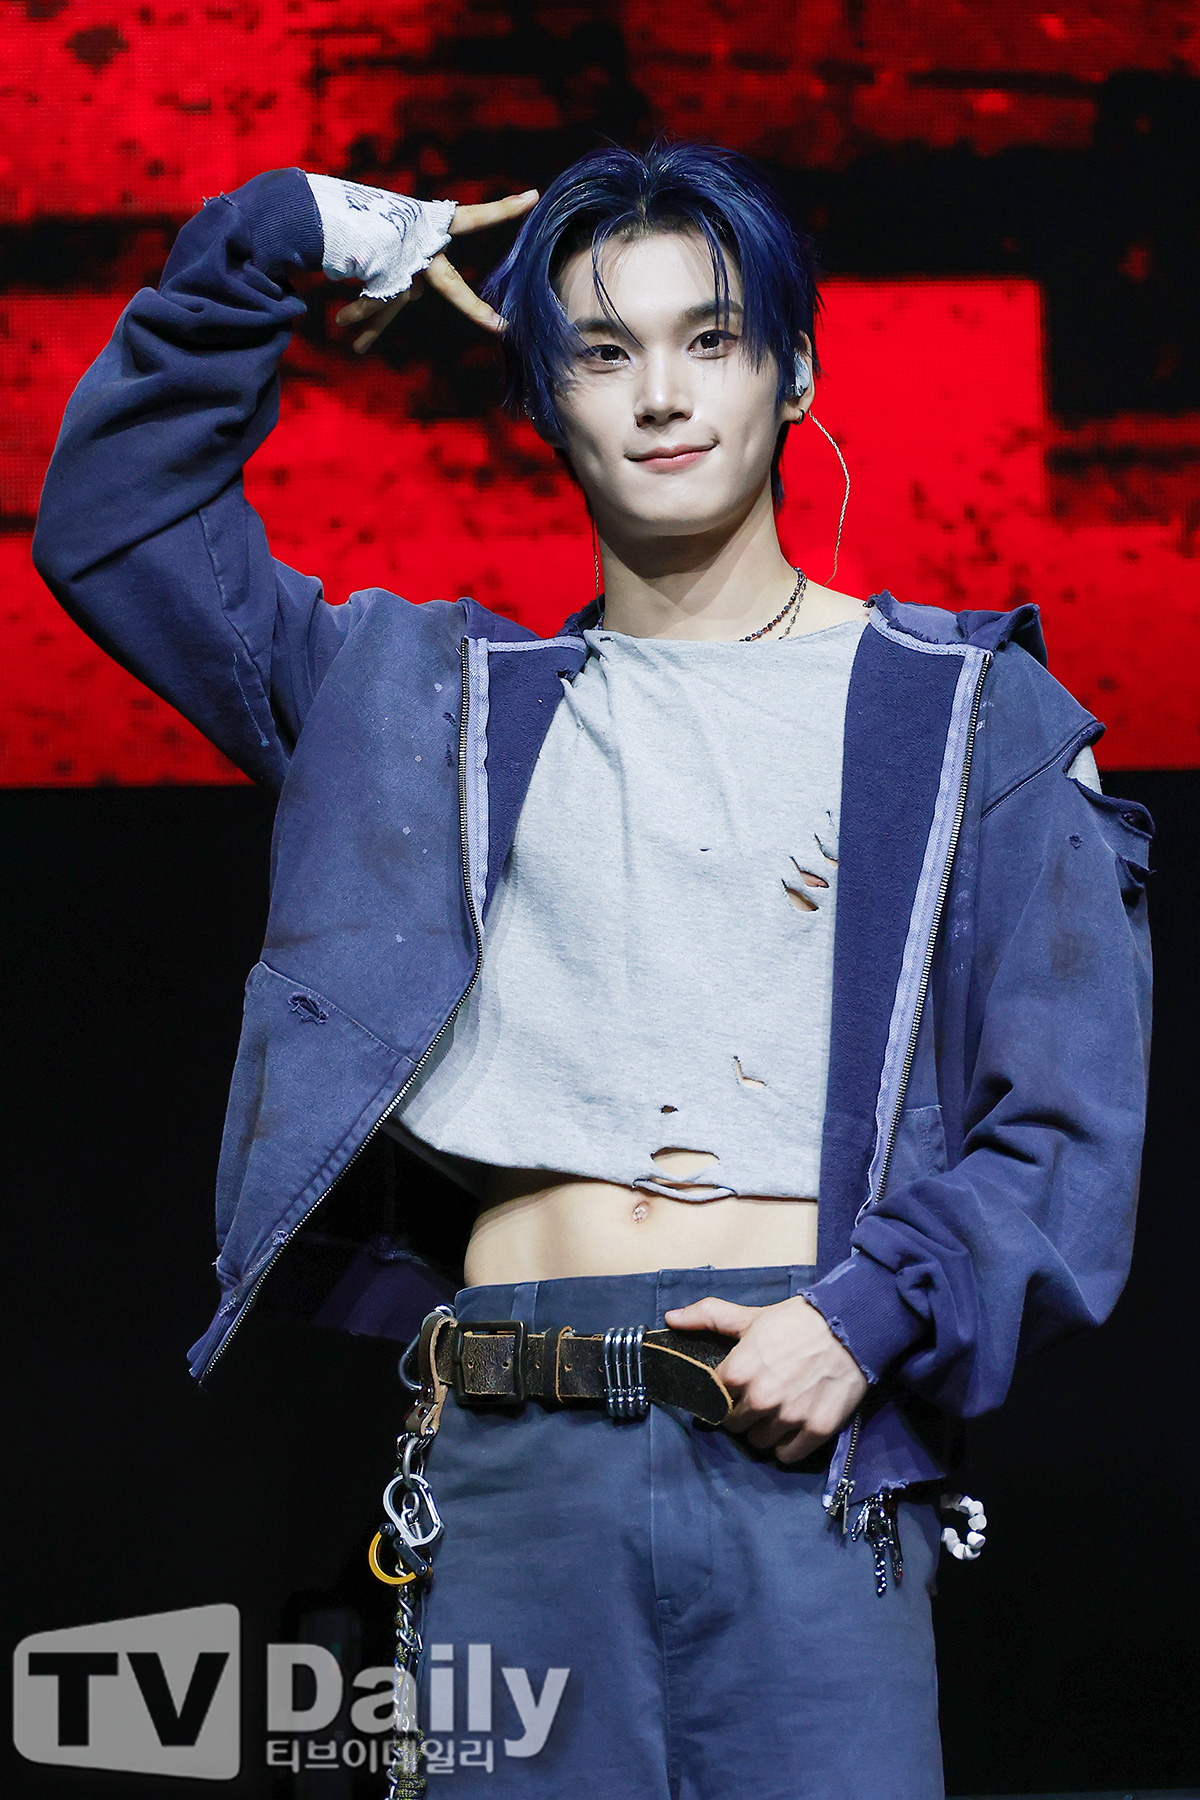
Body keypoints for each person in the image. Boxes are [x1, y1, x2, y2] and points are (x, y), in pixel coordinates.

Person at [33, 140, 1153, 1799]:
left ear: (794, 373)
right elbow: (119, 529)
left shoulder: (972, 716)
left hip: (807, 1438)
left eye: (712, 339)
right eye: (604, 352)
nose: (663, 395)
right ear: (545, 402)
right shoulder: (424, 703)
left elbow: (1065, 1130)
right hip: (510, 1458)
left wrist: (868, 1315)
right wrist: (279, 236)